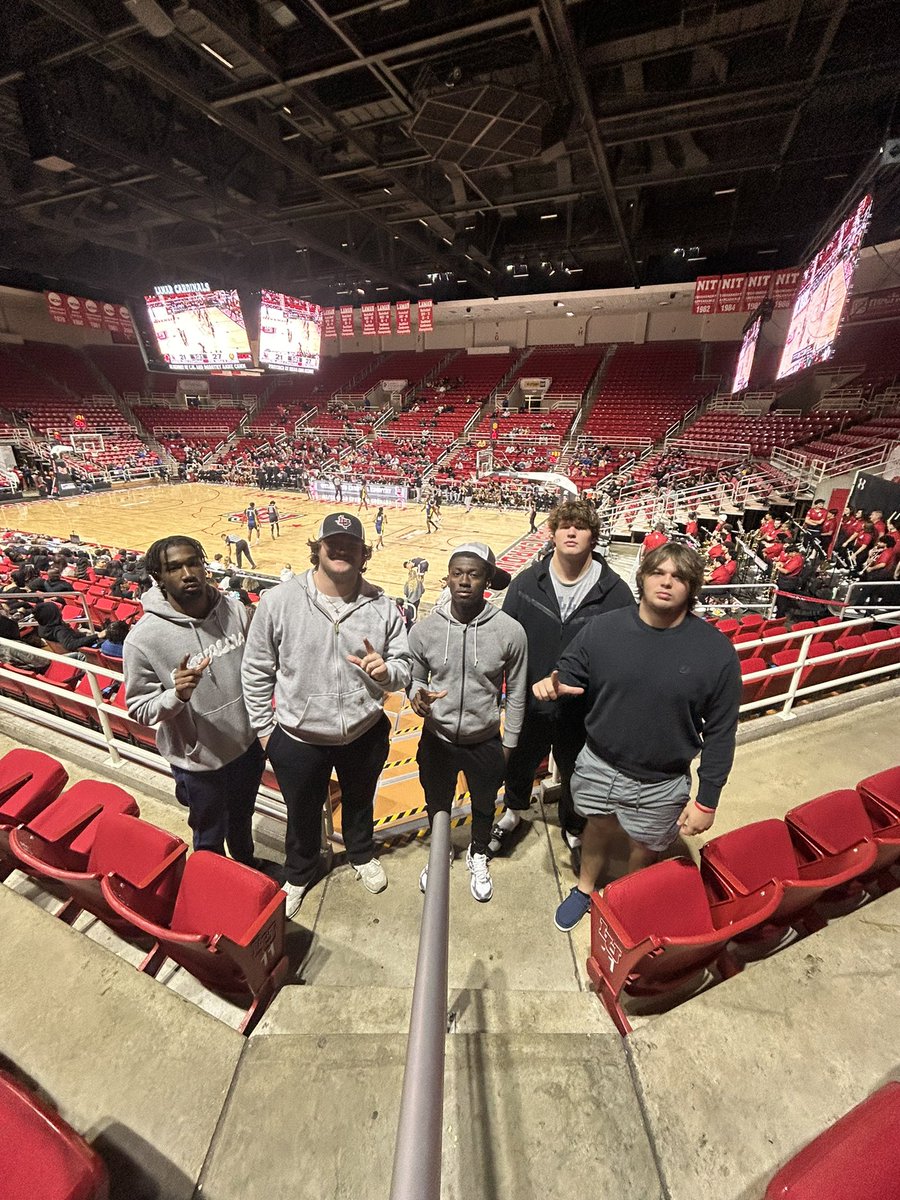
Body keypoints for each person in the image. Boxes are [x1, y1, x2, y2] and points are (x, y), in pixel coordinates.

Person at [534, 543, 741, 932]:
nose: (667, 582)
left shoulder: (717, 653)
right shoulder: (604, 628)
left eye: (679, 577)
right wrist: (553, 683)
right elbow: (571, 669)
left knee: (643, 846)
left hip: (663, 779)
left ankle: (628, 899)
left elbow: (721, 732)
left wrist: (708, 800)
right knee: (596, 828)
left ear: (692, 587)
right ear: (642, 578)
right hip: (598, 762)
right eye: (658, 573)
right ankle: (584, 889)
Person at [242, 513, 412, 918]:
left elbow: (405, 666)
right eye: (332, 543)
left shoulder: (383, 607)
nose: (341, 550)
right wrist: (267, 733)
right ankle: (299, 873)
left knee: (359, 801)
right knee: (300, 812)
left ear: (363, 554)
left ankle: (360, 854)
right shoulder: (279, 601)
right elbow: (255, 669)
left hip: (364, 730)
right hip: (299, 738)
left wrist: (389, 673)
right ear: (317, 549)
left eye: (351, 545)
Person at [490, 500, 635, 859]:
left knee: (577, 773)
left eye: (580, 527)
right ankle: (513, 813)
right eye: (565, 525)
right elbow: (504, 641)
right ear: (552, 533)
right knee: (521, 765)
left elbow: (625, 654)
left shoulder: (616, 592)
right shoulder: (526, 583)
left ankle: (573, 825)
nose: (571, 532)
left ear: (593, 536)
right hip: (530, 704)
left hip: (584, 710)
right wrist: (500, 695)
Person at [123, 536, 265, 865]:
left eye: (194, 563)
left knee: (242, 822)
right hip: (199, 763)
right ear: (158, 577)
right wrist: (177, 696)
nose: (188, 573)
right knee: (209, 836)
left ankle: (249, 867)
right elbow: (140, 709)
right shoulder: (143, 640)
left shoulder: (233, 609)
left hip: (246, 747)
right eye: (174, 568)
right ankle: (212, 890)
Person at [408, 545, 527, 903]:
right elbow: (415, 679)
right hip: (437, 738)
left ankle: (478, 852)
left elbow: (518, 692)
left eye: (473, 574)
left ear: (487, 579)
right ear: (447, 576)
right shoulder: (424, 630)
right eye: (457, 573)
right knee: (437, 800)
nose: (464, 581)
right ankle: (441, 850)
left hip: (485, 739)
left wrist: (509, 742)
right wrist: (416, 696)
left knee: (484, 805)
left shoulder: (510, 631)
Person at [34, 601, 99, 654]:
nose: (60, 611)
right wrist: (96, 636)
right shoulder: (59, 630)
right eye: (57, 610)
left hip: (64, 652)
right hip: (81, 653)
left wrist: (85, 635)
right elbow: (70, 645)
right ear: (52, 614)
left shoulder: (42, 627)